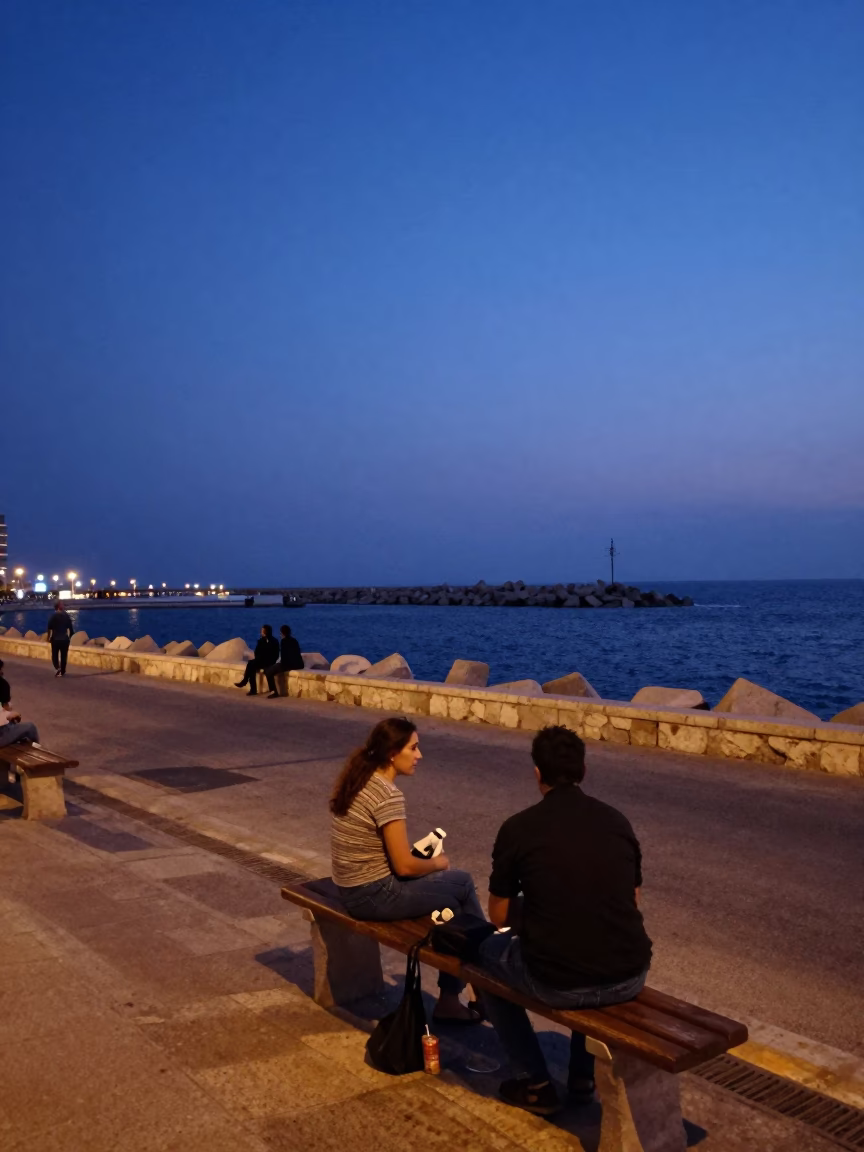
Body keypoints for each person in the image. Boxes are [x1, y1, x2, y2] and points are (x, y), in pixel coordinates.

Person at [477, 725, 652, 1116]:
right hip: (629, 974)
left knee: (483, 957)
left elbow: (499, 915)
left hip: (556, 981)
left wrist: (534, 909)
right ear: (584, 770)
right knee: (583, 937)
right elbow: (632, 900)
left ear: (537, 773)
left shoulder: (519, 828)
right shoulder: (617, 821)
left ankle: (536, 1083)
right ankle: (581, 1077)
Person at [331, 716, 484, 1025]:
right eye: (413, 748)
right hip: (373, 895)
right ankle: (481, 982)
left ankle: (458, 995)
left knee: (452, 901)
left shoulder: (360, 779)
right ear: (392, 753)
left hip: (349, 889)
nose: (419, 756)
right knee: (462, 884)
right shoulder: (388, 795)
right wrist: (438, 863)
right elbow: (403, 865)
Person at [0, 659, 40, 747]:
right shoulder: (2, 684)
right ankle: (36, 755)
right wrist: (10, 714)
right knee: (30, 727)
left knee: (14, 725)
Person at [234, 625, 279, 696]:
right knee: (251, 665)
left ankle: (247, 683)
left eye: (262, 630)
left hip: (269, 662)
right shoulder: (261, 641)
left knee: (251, 664)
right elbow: (257, 652)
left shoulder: (274, 641)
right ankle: (251, 687)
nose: (261, 632)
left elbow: (275, 654)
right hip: (260, 661)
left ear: (266, 631)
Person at [264, 625, 304, 698]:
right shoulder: (294, 640)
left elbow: (284, 656)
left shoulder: (283, 641)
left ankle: (273, 691)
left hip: (288, 664)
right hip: (298, 664)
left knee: (268, 671)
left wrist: (278, 664)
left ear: (282, 633)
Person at [46, 600, 74, 677]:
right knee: (64, 656)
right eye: (62, 604)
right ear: (59, 606)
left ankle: (57, 667)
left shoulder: (53, 616)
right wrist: (69, 637)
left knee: (54, 655)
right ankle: (63, 671)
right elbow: (71, 629)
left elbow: (49, 628)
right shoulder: (66, 616)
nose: (64, 606)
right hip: (64, 639)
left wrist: (48, 637)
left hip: (55, 639)